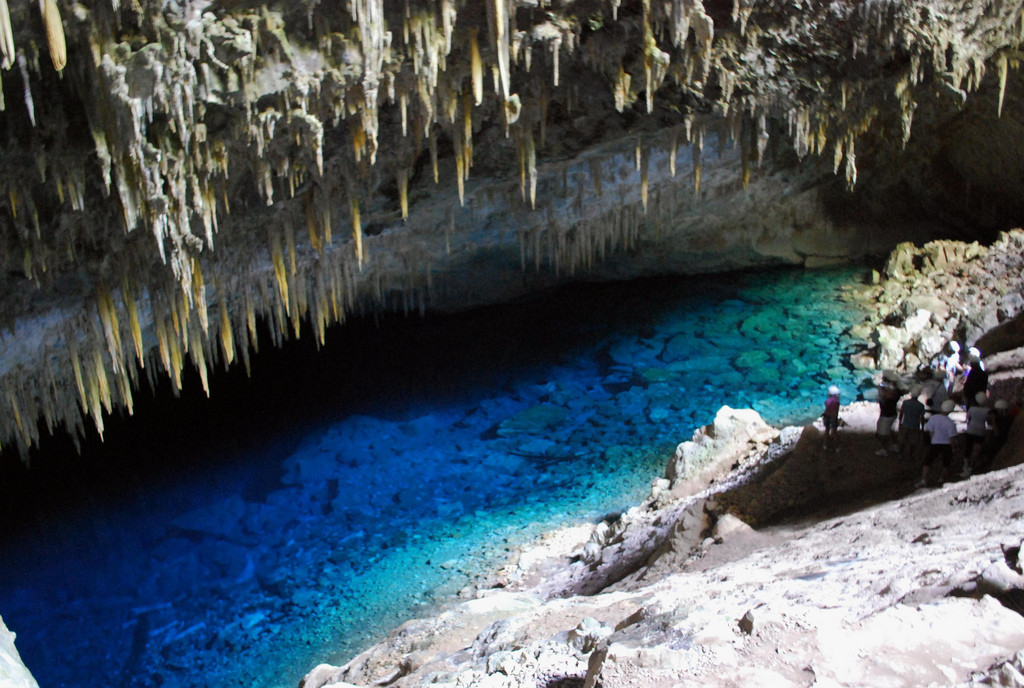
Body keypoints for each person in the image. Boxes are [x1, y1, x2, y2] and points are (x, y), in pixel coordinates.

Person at [921, 399, 958, 487]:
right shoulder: (950, 423)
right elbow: (951, 438)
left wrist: (931, 440)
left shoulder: (934, 418)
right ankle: (942, 478)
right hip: (946, 445)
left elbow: (930, 431)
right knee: (946, 462)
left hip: (935, 442)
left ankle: (924, 479)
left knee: (928, 461)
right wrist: (953, 448)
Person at [961, 391, 989, 476]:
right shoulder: (987, 410)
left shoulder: (972, 409)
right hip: (981, 431)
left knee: (968, 447)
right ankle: (971, 466)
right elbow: (989, 421)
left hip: (971, 430)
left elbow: (967, 418)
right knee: (977, 449)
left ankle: (965, 464)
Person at [897, 385, 926, 461]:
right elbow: (922, 418)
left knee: (903, 440)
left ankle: (900, 453)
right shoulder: (920, 406)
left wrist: (900, 423)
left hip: (905, 424)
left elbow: (901, 413)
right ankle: (910, 455)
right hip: (915, 426)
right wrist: (922, 428)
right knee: (913, 441)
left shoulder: (906, 403)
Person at [875, 377, 900, 456]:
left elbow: (883, 402)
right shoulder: (895, 396)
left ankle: (884, 449)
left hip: (886, 416)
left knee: (882, 434)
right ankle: (894, 445)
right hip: (892, 415)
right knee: (891, 430)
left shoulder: (887, 399)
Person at [823, 385, 841, 449]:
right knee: (834, 431)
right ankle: (836, 446)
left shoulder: (827, 401)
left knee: (826, 430)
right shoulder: (837, 402)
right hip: (833, 417)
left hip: (826, 416)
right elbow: (836, 410)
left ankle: (825, 445)